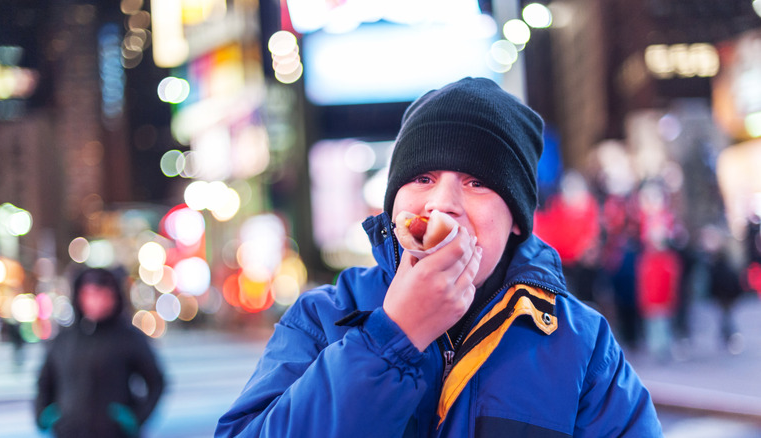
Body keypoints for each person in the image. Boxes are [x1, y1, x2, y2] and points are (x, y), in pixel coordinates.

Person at [216, 77, 663, 437]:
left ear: (517, 221)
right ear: (393, 205)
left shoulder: (581, 344)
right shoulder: (321, 319)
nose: (442, 204)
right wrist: (393, 338)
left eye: (477, 182)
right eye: (423, 178)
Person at [35, 267, 166, 438]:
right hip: (69, 432)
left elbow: (156, 382)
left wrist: (135, 418)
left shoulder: (128, 338)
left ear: (114, 296)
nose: (94, 300)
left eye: (101, 293)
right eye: (88, 293)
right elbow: (45, 381)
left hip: (114, 434)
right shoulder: (64, 339)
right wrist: (45, 415)